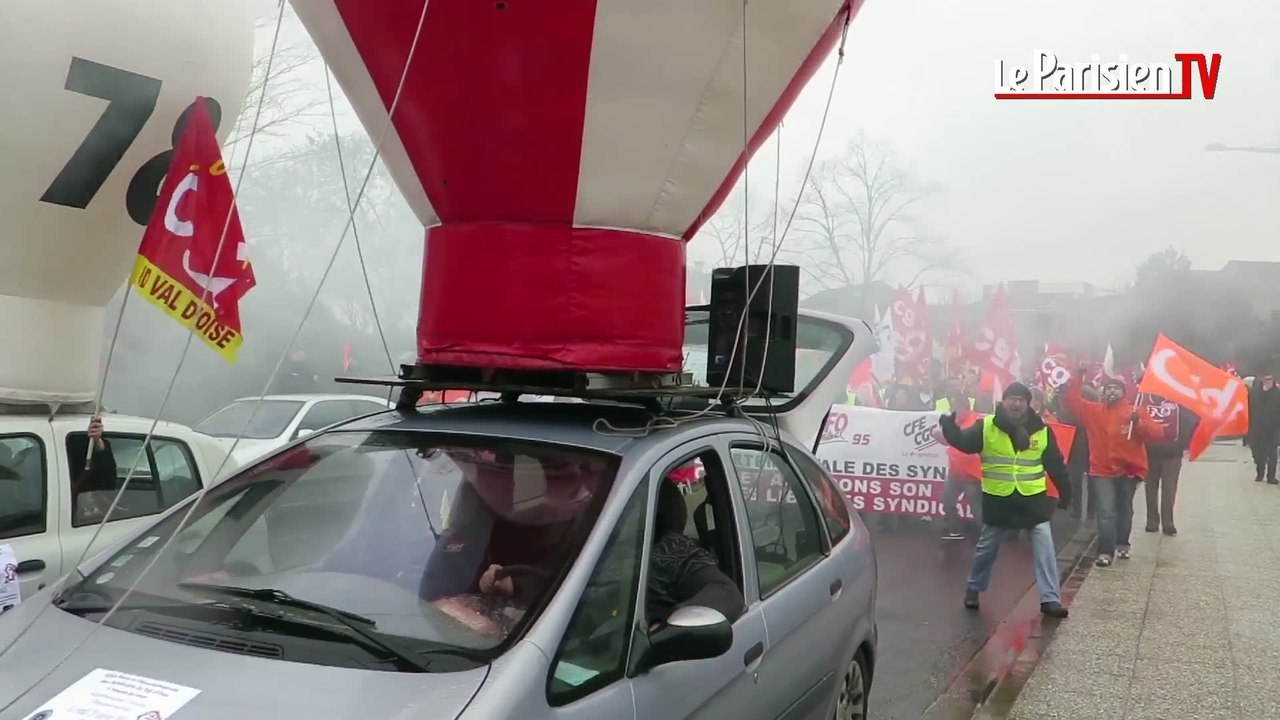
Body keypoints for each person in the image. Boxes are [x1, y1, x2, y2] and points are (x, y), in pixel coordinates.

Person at [939, 382, 1071, 618]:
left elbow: (1055, 463)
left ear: (1028, 404)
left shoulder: (1042, 430)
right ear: (1004, 401)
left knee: (1044, 547)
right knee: (987, 547)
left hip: (1032, 500)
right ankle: (974, 588)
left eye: (1021, 399)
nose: (1016, 403)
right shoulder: (986, 426)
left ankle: (1050, 599)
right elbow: (965, 444)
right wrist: (951, 431)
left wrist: (1065, 491)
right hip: (998, 498)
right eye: (1012, 399)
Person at [1063, 370, 1158, 567]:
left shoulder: (1134, 411)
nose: (1112, 390)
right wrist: (1078, 377)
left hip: (1129, 470)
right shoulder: (1093, 411)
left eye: (1117, 387)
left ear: (1124, 392)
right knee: (1106, 511)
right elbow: (1072, 400)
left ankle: (1122, 542)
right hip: (1101, 470)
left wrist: (1139, 424)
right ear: (1103, 391)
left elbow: (1157, 433)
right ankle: (1105, 552)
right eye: (1109, 387)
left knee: (1125, 509)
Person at [1140, 392, 1198, 535]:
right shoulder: (1143, 399)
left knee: (1169, 488)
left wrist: (1184, 443)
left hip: (1172, 452)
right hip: (1149, 451)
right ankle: (1152, 521)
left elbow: (1191, 421)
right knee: (1150, 488)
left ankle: (1168, 522)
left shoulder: (1179, 401)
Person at [1246, 376, 1280, 483]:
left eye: (1270, 379)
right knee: (1258, 453)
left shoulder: (1277, 394)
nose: (1268, 381)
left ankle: (1271, 476)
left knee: (1272, 454)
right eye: (1266, 379)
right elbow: (1249, 409)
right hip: (1257, 428)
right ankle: (1260, 472)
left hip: (1273, 429)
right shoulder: (1254, 394)